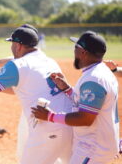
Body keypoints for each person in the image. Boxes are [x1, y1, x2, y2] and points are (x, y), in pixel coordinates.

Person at [0, 25, 73, 164]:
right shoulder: (49, 61)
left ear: (18, 45)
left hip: (47, 129)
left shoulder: (18, 64)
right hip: (67, 122)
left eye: (12, 43)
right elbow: (17, 89)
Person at [32, 31, 119, 164]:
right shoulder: (100, 71)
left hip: (93, 148)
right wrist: (67, 89)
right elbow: (87, 103)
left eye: (76, 48)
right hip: (99, 143)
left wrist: (50, 116)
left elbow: (85, 118)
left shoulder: (94, 79)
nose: (74, 51)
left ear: (83, 52)